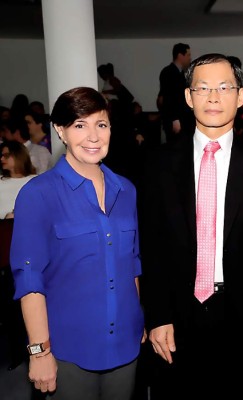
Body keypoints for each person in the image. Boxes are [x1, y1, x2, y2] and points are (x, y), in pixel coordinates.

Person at [139, 53, 243, 400]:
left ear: (240, 96)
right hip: (177, 312)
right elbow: (152, 245)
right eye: (203, 88)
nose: (213, 96)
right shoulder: (158, 163)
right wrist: (157, 315)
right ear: (188, 97)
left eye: (224, 87)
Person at [10, 87, 145, 398]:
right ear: (61, 131)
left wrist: (137, 319)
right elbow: (29, 279)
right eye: (79, 126)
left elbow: (133, 263)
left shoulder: (126, 190)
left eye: (101, 124)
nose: (93, 137)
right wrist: (39, 352)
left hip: (126, 343)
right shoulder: (38, 194)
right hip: (68, 348)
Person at [158, 43, 195, 142]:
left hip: (184, 121)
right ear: (180, 56)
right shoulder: (168, 72)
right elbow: (168, 97)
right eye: (188, 55)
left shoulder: (182, 74)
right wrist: (174, 119)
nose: (190, 58)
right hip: (176, 121)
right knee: (176, 149)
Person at [0, 141, 37, 219]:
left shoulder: (36, 181)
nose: (2, 159)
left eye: (6, 155)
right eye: (1, 155)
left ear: (18, 156)